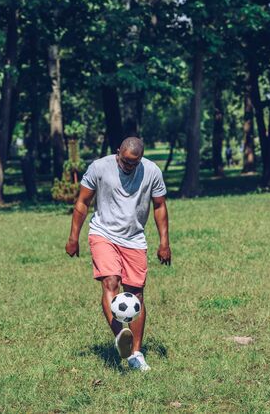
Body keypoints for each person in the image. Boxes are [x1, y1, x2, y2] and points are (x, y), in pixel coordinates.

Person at [65, 137, 171, 371]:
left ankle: (135, 353)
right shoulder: (99, 167)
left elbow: (160, 206)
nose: (128, 167)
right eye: (124, 161)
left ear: (140, 160)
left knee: (136, 295)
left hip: (134, 238)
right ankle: (120, 336)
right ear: (117, 153)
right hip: (103, 233)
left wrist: (164, 242)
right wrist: (73, 237)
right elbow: (82, 202)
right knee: (110, 281)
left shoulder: (152, 171)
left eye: (134, 163)